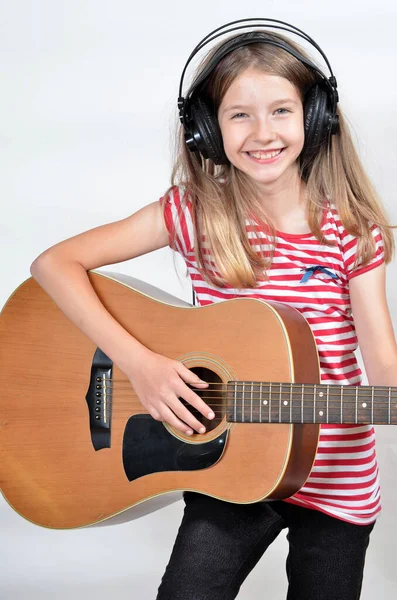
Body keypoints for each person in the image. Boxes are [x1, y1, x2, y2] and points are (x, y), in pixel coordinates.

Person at [29, 18, 397, 600]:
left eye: (281, 110)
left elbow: (382, 360)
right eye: (238, 114)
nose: (262, 132)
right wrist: (142, 366)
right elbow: (54, 264)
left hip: (338, 482)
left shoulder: (353, 231)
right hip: (231, 471)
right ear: (206, 129)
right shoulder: (193, 213)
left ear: (316, 117)